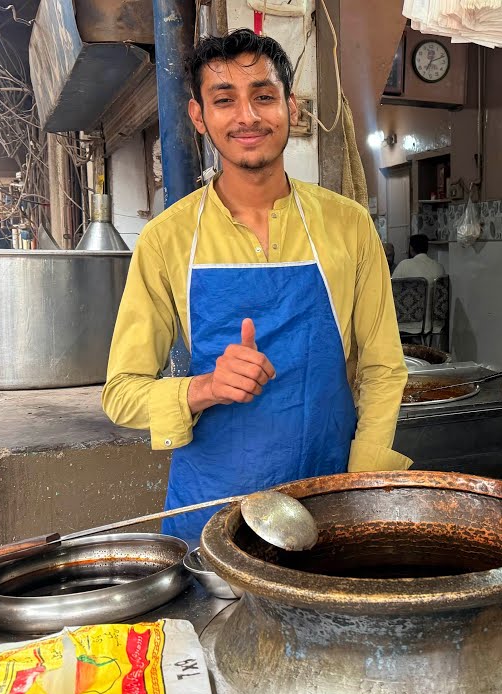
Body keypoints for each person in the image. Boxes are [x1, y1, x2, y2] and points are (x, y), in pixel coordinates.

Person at [102, 29, 410, 544]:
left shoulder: (348, 226)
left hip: (327, 497)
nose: (247, 116)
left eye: (263, 96)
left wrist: (359, 483)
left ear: (290, 108)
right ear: (200, 116)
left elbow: (382, 370)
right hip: (212, 508)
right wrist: (205, 388)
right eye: (225, 100)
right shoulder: (166, 241)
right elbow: (122, 393)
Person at [391, 234, 446, 336]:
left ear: (411, 248)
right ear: (427, 248)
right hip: (435, 324)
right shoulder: (439, 267)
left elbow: (391, 292)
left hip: (407, 323)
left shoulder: (404, 265)